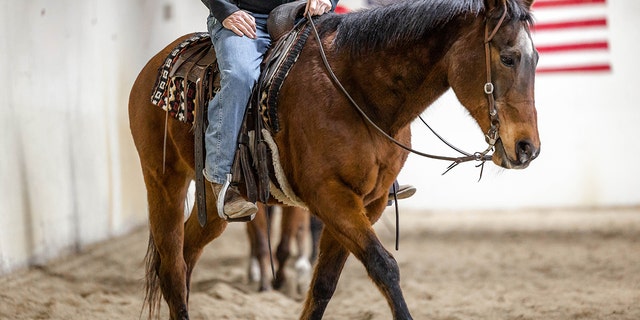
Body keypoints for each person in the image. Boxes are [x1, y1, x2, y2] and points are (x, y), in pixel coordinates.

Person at [200, 0, 336, 220]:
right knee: (240, 77)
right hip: (244, 18)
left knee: (345, 61)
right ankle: (220, 178)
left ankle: (365, 168)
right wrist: (225, 11)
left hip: (300, 15)